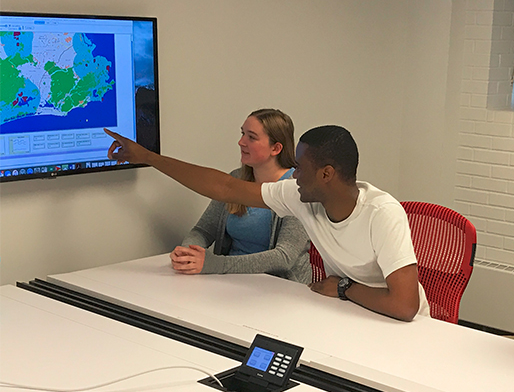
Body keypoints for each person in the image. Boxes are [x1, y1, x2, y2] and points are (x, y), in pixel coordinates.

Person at [105, 125, 429, 322]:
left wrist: (345, 288)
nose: (293, 175)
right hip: (350, 311)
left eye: (300, 168)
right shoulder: (300, 196)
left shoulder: (382, 213)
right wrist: (150, 158)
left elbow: (404, 305)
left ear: (326, 174)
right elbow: (226, 188)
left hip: (399, 325)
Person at [169, 109, 311, 284]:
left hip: (280, 288)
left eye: (251, 137)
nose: (241, 142)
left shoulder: (297, 189)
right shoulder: (235, 180)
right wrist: (187, 253)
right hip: (232, 281)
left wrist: (215, 264)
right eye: (243, 133)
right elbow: (203, 230)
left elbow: (284, 257)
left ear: (276, 148)